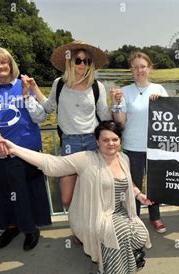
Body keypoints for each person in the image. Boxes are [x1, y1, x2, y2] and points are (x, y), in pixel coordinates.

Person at [0, 121, 153, 274]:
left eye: (115, 139)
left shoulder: (124, 159)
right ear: (97, 141)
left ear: (120, 140)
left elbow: (128, 182)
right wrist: (14, 149)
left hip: (119, 210)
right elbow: (51, 164)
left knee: (138, 233)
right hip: (95, 214)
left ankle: (126, 260)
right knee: (117, 233)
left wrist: (139, 195)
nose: (111, 143)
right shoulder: (85, 159)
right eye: (105, 140)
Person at [0, 46, 51, 250]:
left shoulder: (23, 85)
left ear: (10, 64)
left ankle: (31, 228)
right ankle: (12, 226)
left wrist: (27, 96)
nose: (0, 67)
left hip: (26, 152)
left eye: (3, 62)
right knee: (3, 194)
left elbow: (40, 117)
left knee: (27, 193)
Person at [23, 40, 112, 208]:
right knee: (67, 199)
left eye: (86, 61)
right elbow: (49, 107)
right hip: (70, 142)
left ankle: (90, 232)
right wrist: (33, 89)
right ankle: (78, 229)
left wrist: (116, 104)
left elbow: (104, 115)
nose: (82, 64)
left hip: (93, 142)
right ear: (70, 61)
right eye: (78, 60)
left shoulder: (97, 86)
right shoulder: (60, 83)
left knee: (94, 193)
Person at [111, 52, 169, 234]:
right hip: (132, 147)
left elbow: (171, 116)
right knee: (133, 186)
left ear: (149, 68)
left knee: (155, 184)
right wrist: (115, 103)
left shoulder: (159, 89)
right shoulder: (125, 92)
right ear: (131, 70)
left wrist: (162, 103)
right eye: (135, 67)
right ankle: (134, 219)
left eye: (142, 66)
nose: (139, 70)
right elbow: (120, 122)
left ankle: (155, 216)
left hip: (155, 147)